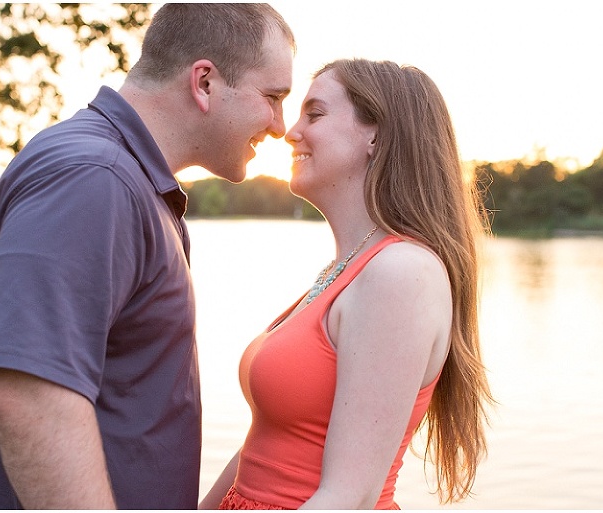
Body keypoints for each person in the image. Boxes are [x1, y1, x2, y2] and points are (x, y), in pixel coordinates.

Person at [0, 4, 294, 509]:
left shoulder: (128, 183)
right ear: (205, 82)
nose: (280, 125)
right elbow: (30, 393)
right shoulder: (94, 177)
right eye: (273, 97)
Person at [199, 58, 495, 510]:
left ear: (376, 135)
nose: (289, 131)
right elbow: (265, 445)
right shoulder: (342, 271)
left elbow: (349, 497)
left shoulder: (401, 273)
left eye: (314, 114)